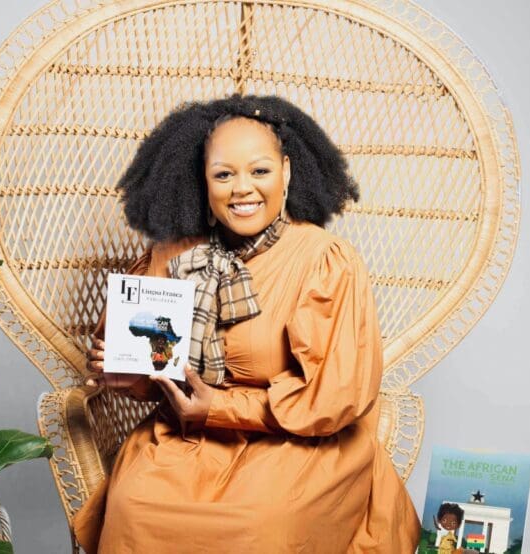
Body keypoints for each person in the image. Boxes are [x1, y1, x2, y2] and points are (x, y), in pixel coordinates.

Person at [74, 93, 421, 552]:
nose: (242, 189)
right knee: (135, 506)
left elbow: (331, 396)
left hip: (296, 444)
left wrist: (217, 407)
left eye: (260, 171)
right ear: (202, 181)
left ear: (288, 173)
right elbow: (154, 370)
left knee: (259, 524)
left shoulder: (323, 259)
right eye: (223, 174)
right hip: (186, 440)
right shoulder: (173, 255)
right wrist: (126, 373)